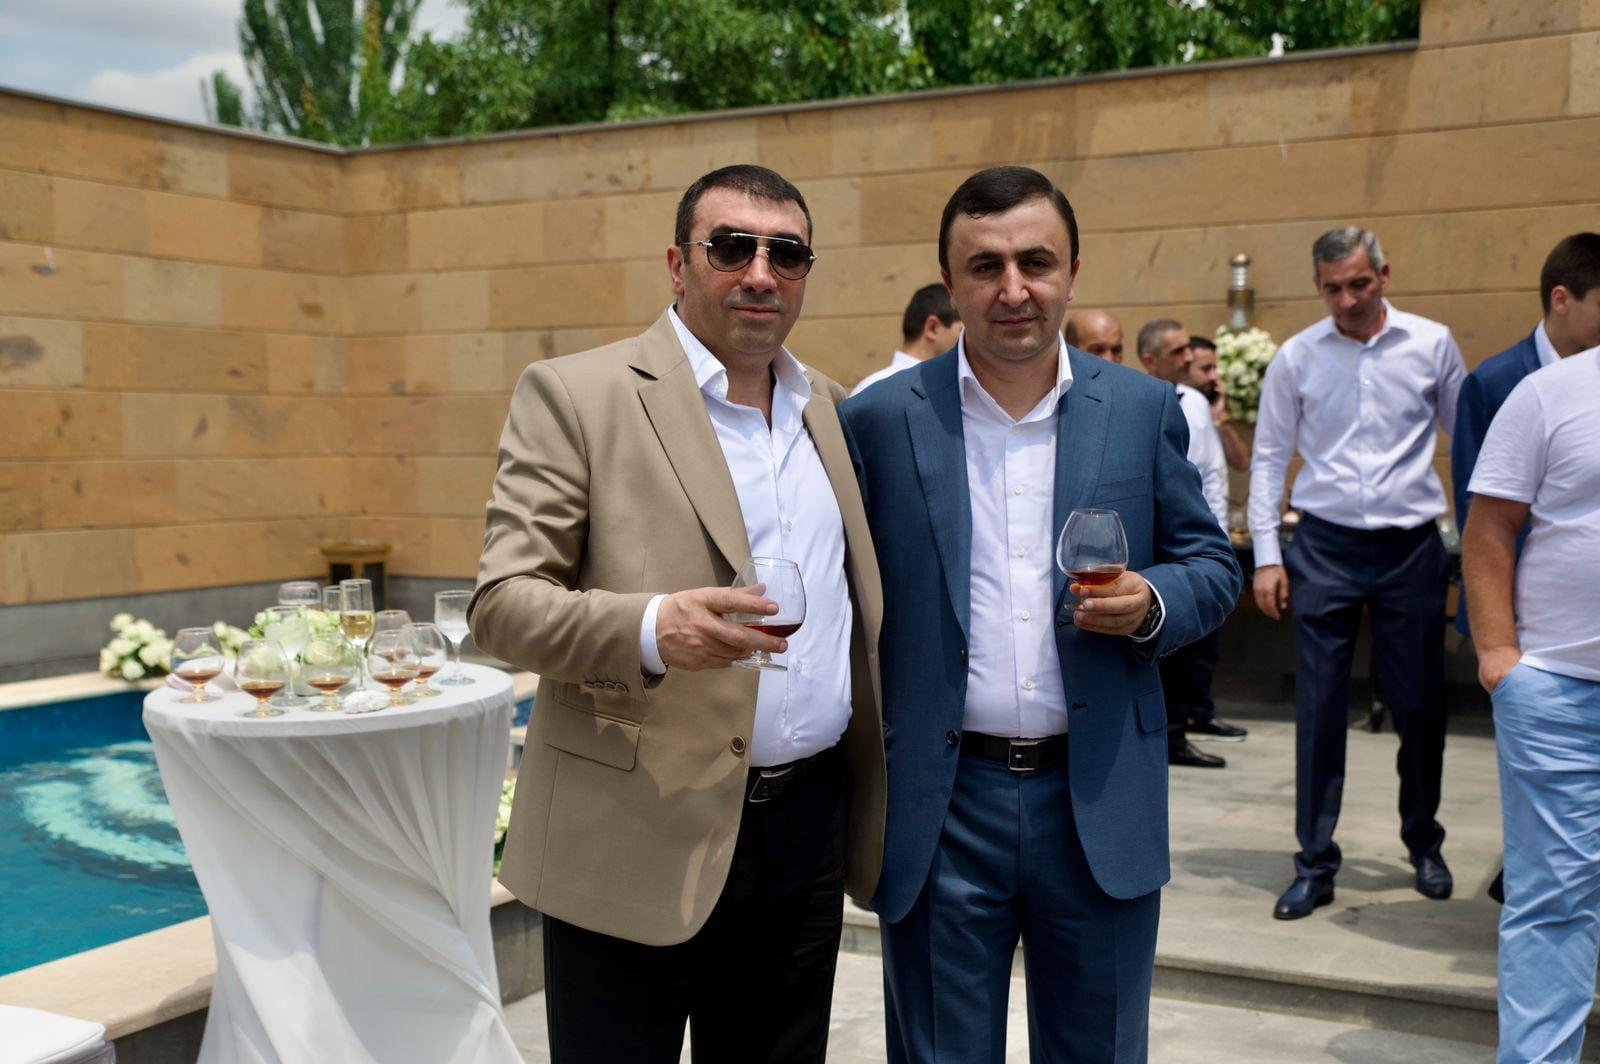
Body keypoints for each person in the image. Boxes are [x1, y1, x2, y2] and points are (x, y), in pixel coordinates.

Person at [470, 164, 885, 1063]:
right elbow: (501, 606)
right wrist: (653, 628)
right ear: (677, 263)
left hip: (805, 835)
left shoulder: (831, 409)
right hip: (635, 832)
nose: (761, 273)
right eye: (732, 248)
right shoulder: (577, 394)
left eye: (787, 254)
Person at [841, 166, 1242, 1063]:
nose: (1014, 289)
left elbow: (1213, 566)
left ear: (1073, 272)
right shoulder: (879, 421)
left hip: (1096, 797)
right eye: (985, 267)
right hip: (944, 809)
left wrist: (1153, 601)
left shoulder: (1140, 410)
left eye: (1036, 262)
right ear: (950, 285)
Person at [1249, 226, 1466, 920]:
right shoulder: (1297, 356)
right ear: (1318, 287)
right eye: (1334, 287)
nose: (1348, 299)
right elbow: (1269, 456)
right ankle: (1315, 863)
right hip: (1324, 546)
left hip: (1411, 546)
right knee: (1318, 709)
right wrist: (1266, 556)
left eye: (1360, 284)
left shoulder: (1432, 344)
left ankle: (1423, 841)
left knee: (1420, 704)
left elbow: (1469, 443)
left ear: (1384, 276)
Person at [1451, 232, 1600, 907]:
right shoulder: (1497, 380)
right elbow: (1481, 515)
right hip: (1528, 643)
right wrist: (1499, 648)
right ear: (1562, 300)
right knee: (1537, 809)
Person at [1462, 343, 1600, 1064]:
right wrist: (1498, 654)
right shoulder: (1551, 392)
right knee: (1554, 904)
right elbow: (1490, 526)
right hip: (1560, 694)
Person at [1137, 319, 1250, 770]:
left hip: (1207, 537)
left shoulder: (1199, 403)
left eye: (1189, 348)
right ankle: (1171, 735)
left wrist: (1217, 533)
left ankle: (1193, 717)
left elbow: (1215, 471)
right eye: (1178, 351)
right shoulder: (1139, 403)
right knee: (1170, 650)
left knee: (1204, 644)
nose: (1189, 357)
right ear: (1150, 361)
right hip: (1165, 545)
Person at [851, 283, 962, 396]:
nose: (966, 338)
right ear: (932, 328)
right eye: (961, 330)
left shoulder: (869, 387)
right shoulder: (872, 391)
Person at [1188, 336, 1252, 473]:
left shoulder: (1213, 406)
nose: (1214, 376)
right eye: (1206, 369)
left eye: (1214, 368)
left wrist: (1221, 419)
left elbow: (1243, 464)